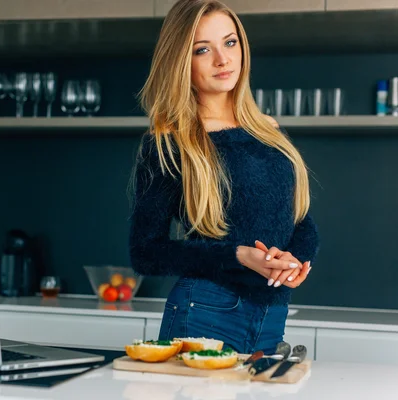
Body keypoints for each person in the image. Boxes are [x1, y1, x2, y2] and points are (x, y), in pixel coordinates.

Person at [128, 0, 319, 355]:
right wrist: (238, 256)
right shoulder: (171, 142)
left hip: (272, 313)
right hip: (205, 312)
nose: (223, 59)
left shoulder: (269, 132)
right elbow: (146, 252)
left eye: (230, 43)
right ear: (182, 61)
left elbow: (301, 222)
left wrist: (294, 262)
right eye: (203, 49)